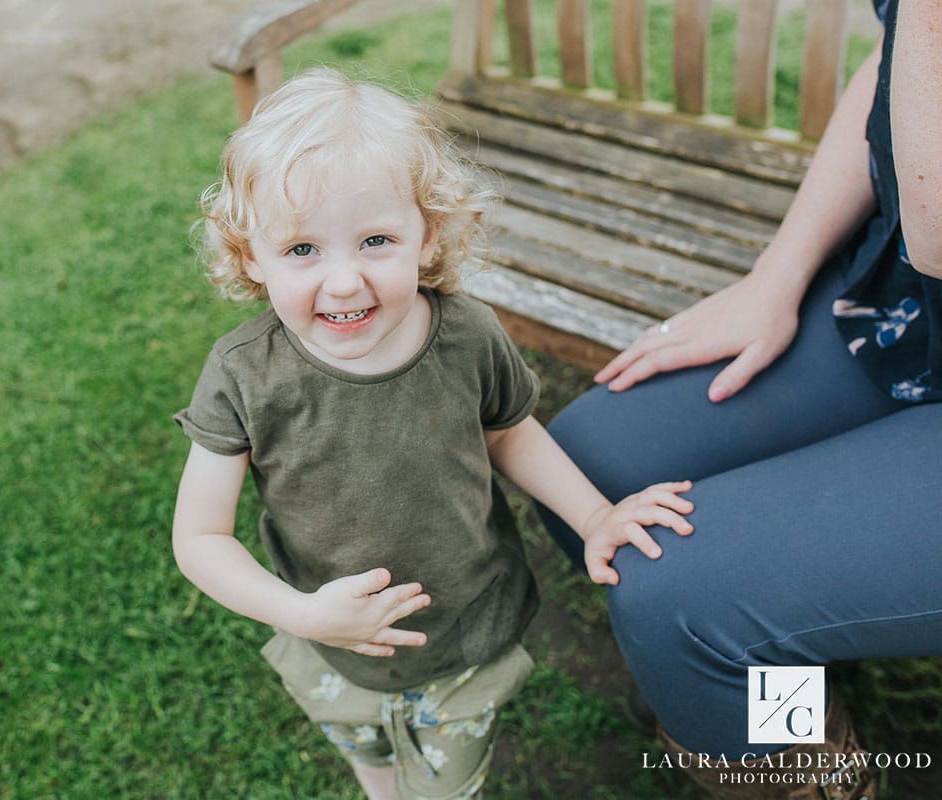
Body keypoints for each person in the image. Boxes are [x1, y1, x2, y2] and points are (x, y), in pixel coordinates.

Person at [171, 67, 694, 800]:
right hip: (327, 631)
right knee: (366, 749)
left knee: (448, 786)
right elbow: (200, 536)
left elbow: (508, 432)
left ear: (429, 235)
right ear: (250, 253)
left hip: (463, 633)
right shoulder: (242, 377)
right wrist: (306, 615)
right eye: (302, 251)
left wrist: (596, 515)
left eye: (376, 239)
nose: (345, 281)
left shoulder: (466, 334)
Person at [532, 0, 942, 797]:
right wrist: (774, 279)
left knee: (674, 597)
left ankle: (804, 768)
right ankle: (795, 707)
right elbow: (894, 68)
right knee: (591, 465)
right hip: (907, 315)